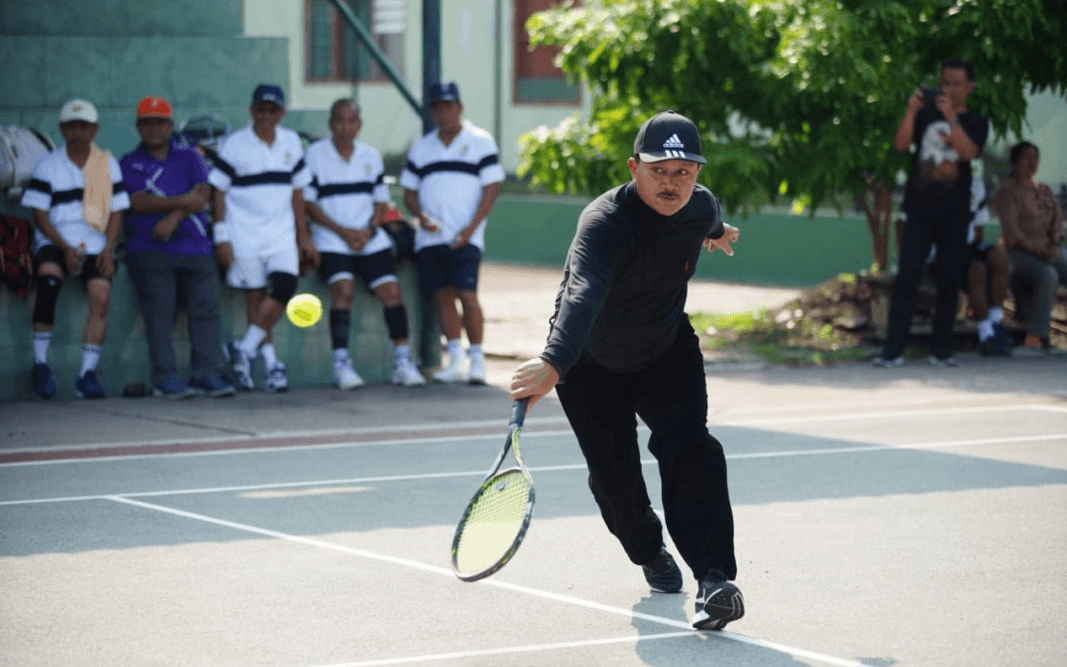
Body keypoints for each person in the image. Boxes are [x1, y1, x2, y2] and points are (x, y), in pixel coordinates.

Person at [509, 111, 743, 631]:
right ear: (634, 168)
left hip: (666, 351)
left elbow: (706, 217)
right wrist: (554, 361)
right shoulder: (604, 222)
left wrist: (718, 231)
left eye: (684, 171)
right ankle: (648, 550)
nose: (672, 182)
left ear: (697, 175)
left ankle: (714, 581)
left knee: (692, 449)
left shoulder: (698, 205)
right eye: (659, 170)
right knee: (615, 480)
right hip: (591, 361)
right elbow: (581, 292)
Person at [303, 99, 427, 389]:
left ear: (359, 125)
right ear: (331, 124)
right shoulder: (314, 155)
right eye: (339, 121)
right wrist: (344, 232)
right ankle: (341, 365)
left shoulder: (370, 155)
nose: (345, 127)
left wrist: (369, 229)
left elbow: (381, 200)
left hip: (369, 238)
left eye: (351, 121)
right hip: (331, 239)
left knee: (392, 292)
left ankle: (402, 362)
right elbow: (308, 204)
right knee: (343, 290)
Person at [875, 57, 989, 367]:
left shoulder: (977, 121)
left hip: (955, 212)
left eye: (955, 84)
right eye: (945, 82)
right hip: (920, 209)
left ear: (969, 87)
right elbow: (900, 145)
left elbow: (969, 153)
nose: (949, 89)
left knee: (950, 279)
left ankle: (942, 351)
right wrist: (911, 112)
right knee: (908, 276)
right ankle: (893, 351)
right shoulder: (924, 115)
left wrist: (951, 118)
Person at [119, 95, 236, 399]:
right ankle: (164, 377)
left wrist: (173, 217)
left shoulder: (189, 156)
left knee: (206, 311)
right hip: (149, 249)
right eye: (147, 122)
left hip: (195, 246)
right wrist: (185, 202)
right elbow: (138, 201)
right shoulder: (129, 162)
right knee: (160, 313)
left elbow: (204, 194)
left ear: (170, 125)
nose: (154, 128)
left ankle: (207, 373)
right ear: (138, 126)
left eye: (160, 122)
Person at [208, 84, 318, 392]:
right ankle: (271, 366)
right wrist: (221, 237)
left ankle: (243, 348)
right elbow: (217, 192)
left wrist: (303, 236)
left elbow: (298, 192)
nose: (266, 116)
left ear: (281, 113)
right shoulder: (234, 145)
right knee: (255, 300)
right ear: (251, 111)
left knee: (285, 287)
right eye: (261, 110)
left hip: (281, 235)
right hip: (243, 235)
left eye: (272, 110)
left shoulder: (292, 142)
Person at [21, 99, 130, 399]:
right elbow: (39, 215)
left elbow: (117, 211)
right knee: (48, 281)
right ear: (62, 129)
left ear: (94, 130)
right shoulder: (48, 164)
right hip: (56, 240)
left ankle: (86, 375)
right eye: (71, 126)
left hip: (96, 244)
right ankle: (41, 364)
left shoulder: (106, 164)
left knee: (101, 296)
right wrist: (64, 247)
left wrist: (108, 250)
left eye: (83, 126)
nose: (77, 132)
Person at [400, 81, 504, 384]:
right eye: (437, 106)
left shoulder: (480, 141)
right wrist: (421, 216)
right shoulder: (422, 147)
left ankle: (477, 360)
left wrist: (470, 229)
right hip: (431, 238)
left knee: (468, 296)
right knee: (443, 296)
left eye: (448, 105)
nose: (442, 112)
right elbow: (408, 191)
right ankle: (456, 359)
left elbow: (492, 187)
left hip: (466, 237)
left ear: (458, 107)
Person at [994, 141, 1067, 354]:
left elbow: (1056, 220)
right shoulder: (1007, 192)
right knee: (1048, 276)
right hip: (1018, 254)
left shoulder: (1043, 189)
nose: (1032, 162)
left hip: (1048, 250)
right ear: (1015, 162)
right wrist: (1040, 250)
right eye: (1027, 157)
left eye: (1036, 158)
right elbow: (1013, 232)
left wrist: (1053, 243)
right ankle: (1035, 338)